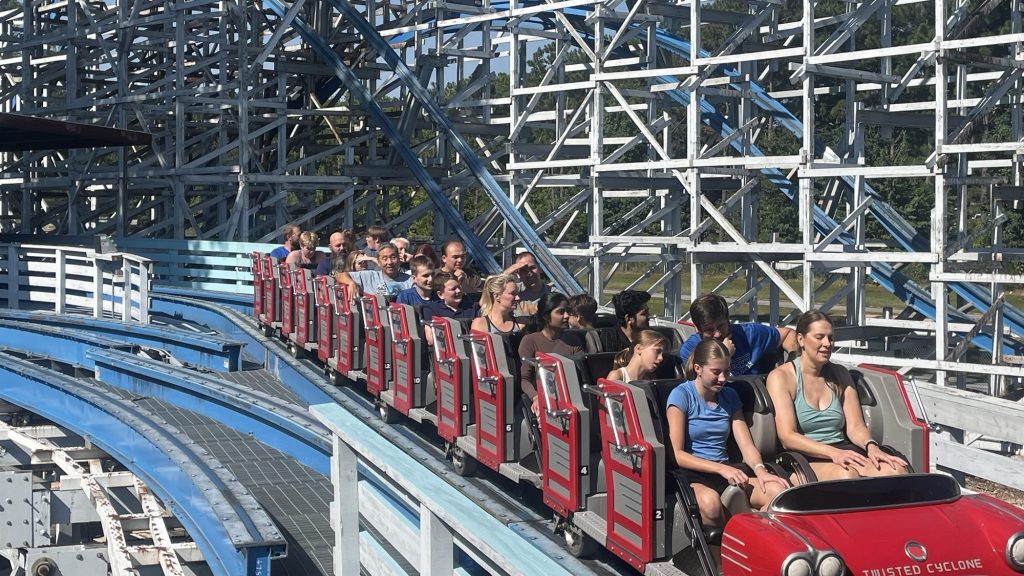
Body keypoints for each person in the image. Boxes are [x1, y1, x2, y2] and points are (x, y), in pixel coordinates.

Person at [766, 310, 908, 482]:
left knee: (897, 470)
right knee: (846, 476)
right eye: (819, 337)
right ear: (801, 339)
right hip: (804, 458)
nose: (827, 343)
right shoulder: (781, 377)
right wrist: (833, 453)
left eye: (830, 338)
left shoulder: (840, 374)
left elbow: (856, 427)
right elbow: (788, 436)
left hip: (844, 452)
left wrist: (872, 447)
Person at [667, 338, 789, 527]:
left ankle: (752, 539)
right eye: (716, 372)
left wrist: (761, 470)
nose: (723, 378)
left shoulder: (729, 396)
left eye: (726, 371)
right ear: (698, 368)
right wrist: (721, 469)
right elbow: (677, 454)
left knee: (778, 491)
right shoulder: (681, 395)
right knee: (711, 504)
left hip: (726, 471)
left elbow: (746, 445)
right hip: (694, 474)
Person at [678, 294, 799, 376]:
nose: (717, 334)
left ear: (728, 319)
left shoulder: (749, 334)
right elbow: (700, 387)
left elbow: (788, 334)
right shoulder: (690, 350)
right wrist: (724, 355)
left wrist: (791, 364)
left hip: (754, 400)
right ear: (698, 329)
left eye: (721, 326)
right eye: (709, 330)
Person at [518, 293, 584, 415]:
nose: (566, 316)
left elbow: (581, 373)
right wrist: (536, 397)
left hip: (569, 398)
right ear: (546, 316)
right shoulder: (530, 341)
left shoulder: (573, 339)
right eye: (560, 312)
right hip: (541, 399)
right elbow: (525, 379)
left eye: (568, 311)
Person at [333, 242, 412, 299]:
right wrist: (351, 283)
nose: (389, 262)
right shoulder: (370, 276)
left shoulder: (410, 280)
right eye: (385, 259)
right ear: (379, 261)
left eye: (393, 257)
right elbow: (339, 275)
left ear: (399, 259)